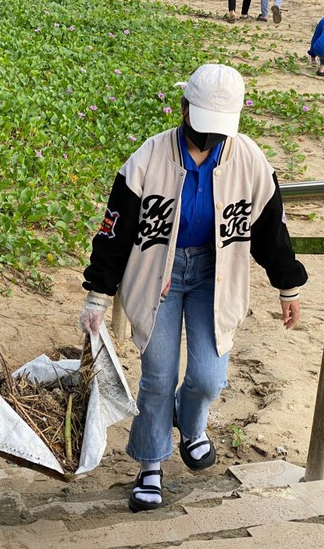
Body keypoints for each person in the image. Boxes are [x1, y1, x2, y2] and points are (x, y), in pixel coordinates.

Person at [79, 64, 307, 513]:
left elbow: (270, 232)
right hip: (156, 276)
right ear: (184, 109)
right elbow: (115, 232)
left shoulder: (251, 161)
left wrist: (288, 286)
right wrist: (97, 295)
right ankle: (150, 464)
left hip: (215, 274)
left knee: (208, 376)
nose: (209, 136)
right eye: (201, 124)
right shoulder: (147, 158)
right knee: (158, 377)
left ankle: (192, 421)